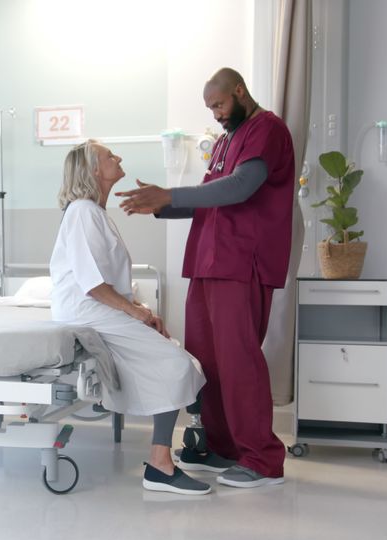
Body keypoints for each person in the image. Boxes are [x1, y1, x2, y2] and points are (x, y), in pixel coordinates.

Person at [116, 68, 295, 488]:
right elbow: (208, 198)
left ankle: (262, 460)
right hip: (207, 262)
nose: (215, 114)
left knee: (239, 361)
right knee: (206, 360)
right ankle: (222, 446)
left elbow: (239, 188)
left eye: (218, 104)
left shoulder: (266, 129)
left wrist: (170, 195)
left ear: (238, 91)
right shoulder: (224, 142)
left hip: (242, 262)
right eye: (210, 108)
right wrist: (160, 205)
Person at [50, 139, 209, 495]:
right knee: (174, 363)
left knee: (183, 359)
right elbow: (91, 284)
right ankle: (159, 465)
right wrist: (135, 311)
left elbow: (108, 284)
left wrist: (141, 311)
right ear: (93, 169)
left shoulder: (94, 212)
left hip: (99, 307)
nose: (118, 158)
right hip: (86, 309)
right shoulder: (82, 211)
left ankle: (190, 449)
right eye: (110, 156)